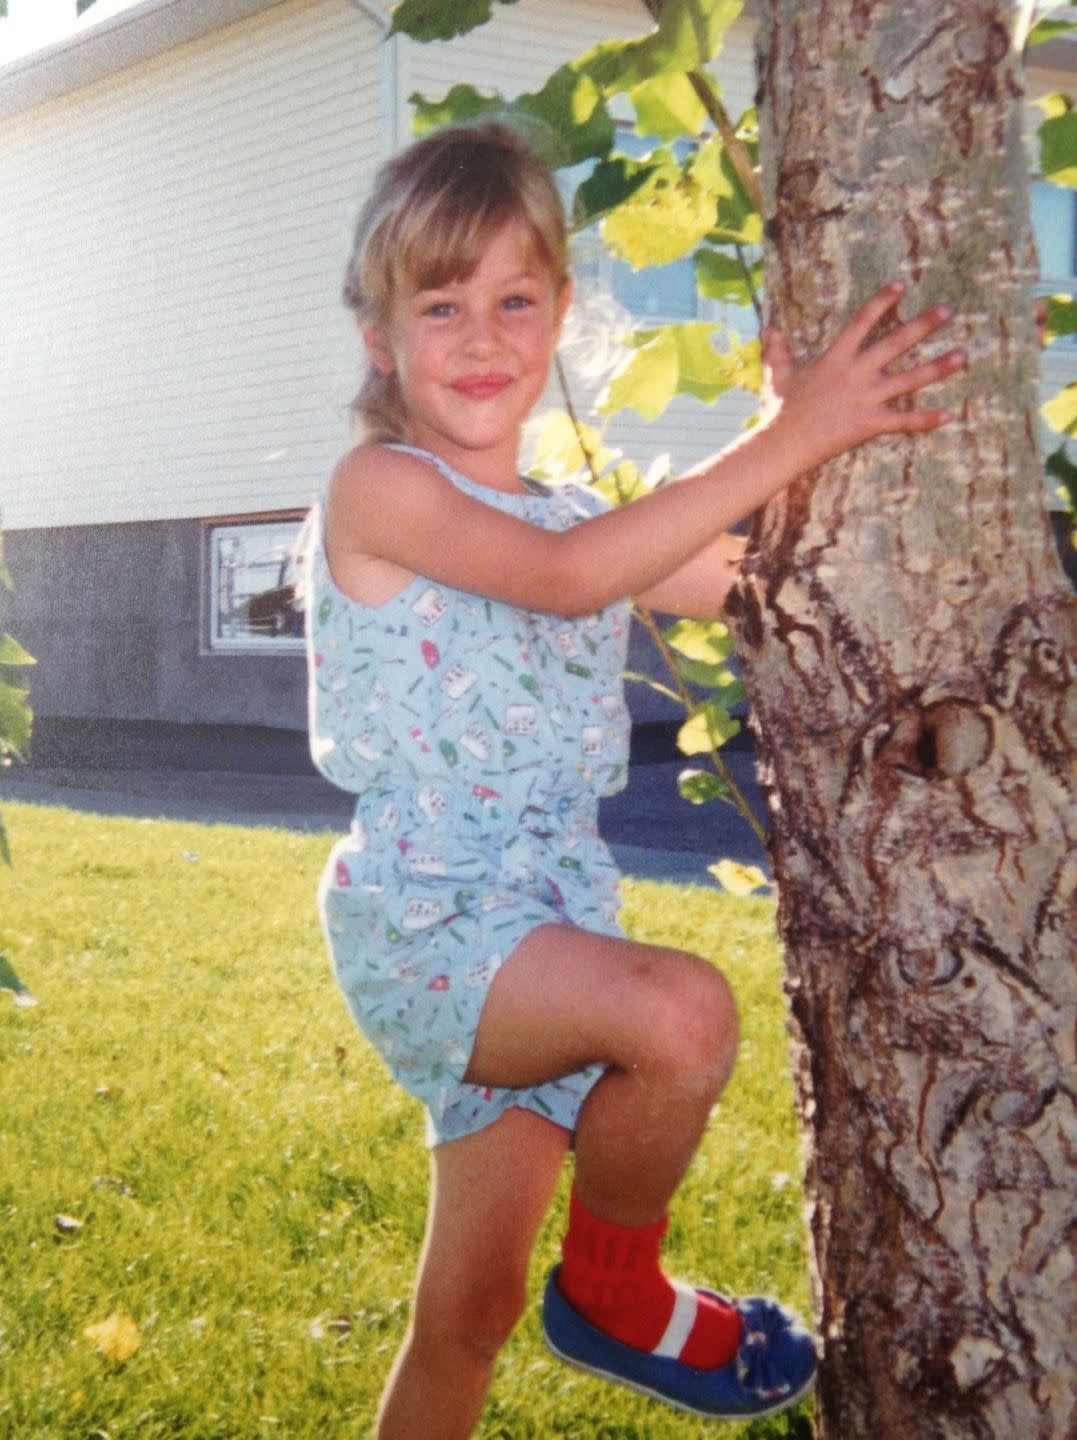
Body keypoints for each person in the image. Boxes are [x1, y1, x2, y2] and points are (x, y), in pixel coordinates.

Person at [302, 121, 964, 1439]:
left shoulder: (563, 516)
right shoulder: (378, 488)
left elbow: (749, 579)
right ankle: (615, 1294)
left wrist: (808, 434)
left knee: (466, 1320)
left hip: (545, 922)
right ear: (380, 338)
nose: (482, 338)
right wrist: (794, 431)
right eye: (440, 307)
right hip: (436, 924)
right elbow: (568, 583)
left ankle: (543, 1321)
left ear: (555, 315)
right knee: (679, 1015)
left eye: (514, 300)